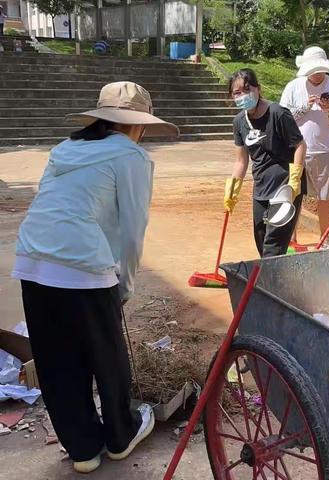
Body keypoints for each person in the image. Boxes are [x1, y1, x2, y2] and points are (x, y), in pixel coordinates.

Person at [11, 82, 179, 474]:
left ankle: (83, 449)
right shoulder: (131, 156)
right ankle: (120, 437)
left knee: (57, 361)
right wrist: (124, 284)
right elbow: (132, 229)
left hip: (33, 259)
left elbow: (67, 208)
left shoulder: (65, 149)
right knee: (107, 355)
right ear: (137, 125)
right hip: (82, 265)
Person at [225, 68, 306, 258]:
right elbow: (241, 160)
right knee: (261, 238)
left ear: (258, 89)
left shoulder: (278, 113)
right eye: (237, 93)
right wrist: (232, 190)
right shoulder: (239, 122)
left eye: (247, 89)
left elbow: (300, 145)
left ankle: (269, 284)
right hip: (261, 187)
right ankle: (275, 278)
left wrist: (295, 179)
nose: (243, 95)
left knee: (273, 244)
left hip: (285, 187)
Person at [281, 46, 329, 245]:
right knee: (293, 195)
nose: (317, 75)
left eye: (319, 70)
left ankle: (325, 238)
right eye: (312, 71)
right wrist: (304, 108)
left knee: (325, 198)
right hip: (296, 151)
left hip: (325, 151)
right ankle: (291, 239)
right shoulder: (293, 87)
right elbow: (282, 118)